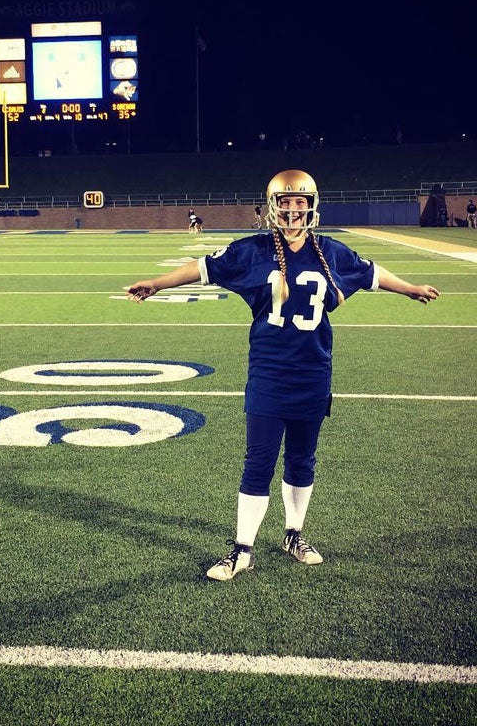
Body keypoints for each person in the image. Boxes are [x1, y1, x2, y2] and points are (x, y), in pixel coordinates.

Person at [126, 169, 440, 581]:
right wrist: (158, 283)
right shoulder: (252, 252)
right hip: (269, 372)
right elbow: (201, 269)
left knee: (302, 459)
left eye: (300, 202)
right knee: (258, 462)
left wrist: (410, 288)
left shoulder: (331, 251)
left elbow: (373, 274)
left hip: (313, 371)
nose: (293, 210)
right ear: (273, 207)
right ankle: (242, 549)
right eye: (286, 203)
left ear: (311, 205)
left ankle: (294, 534)